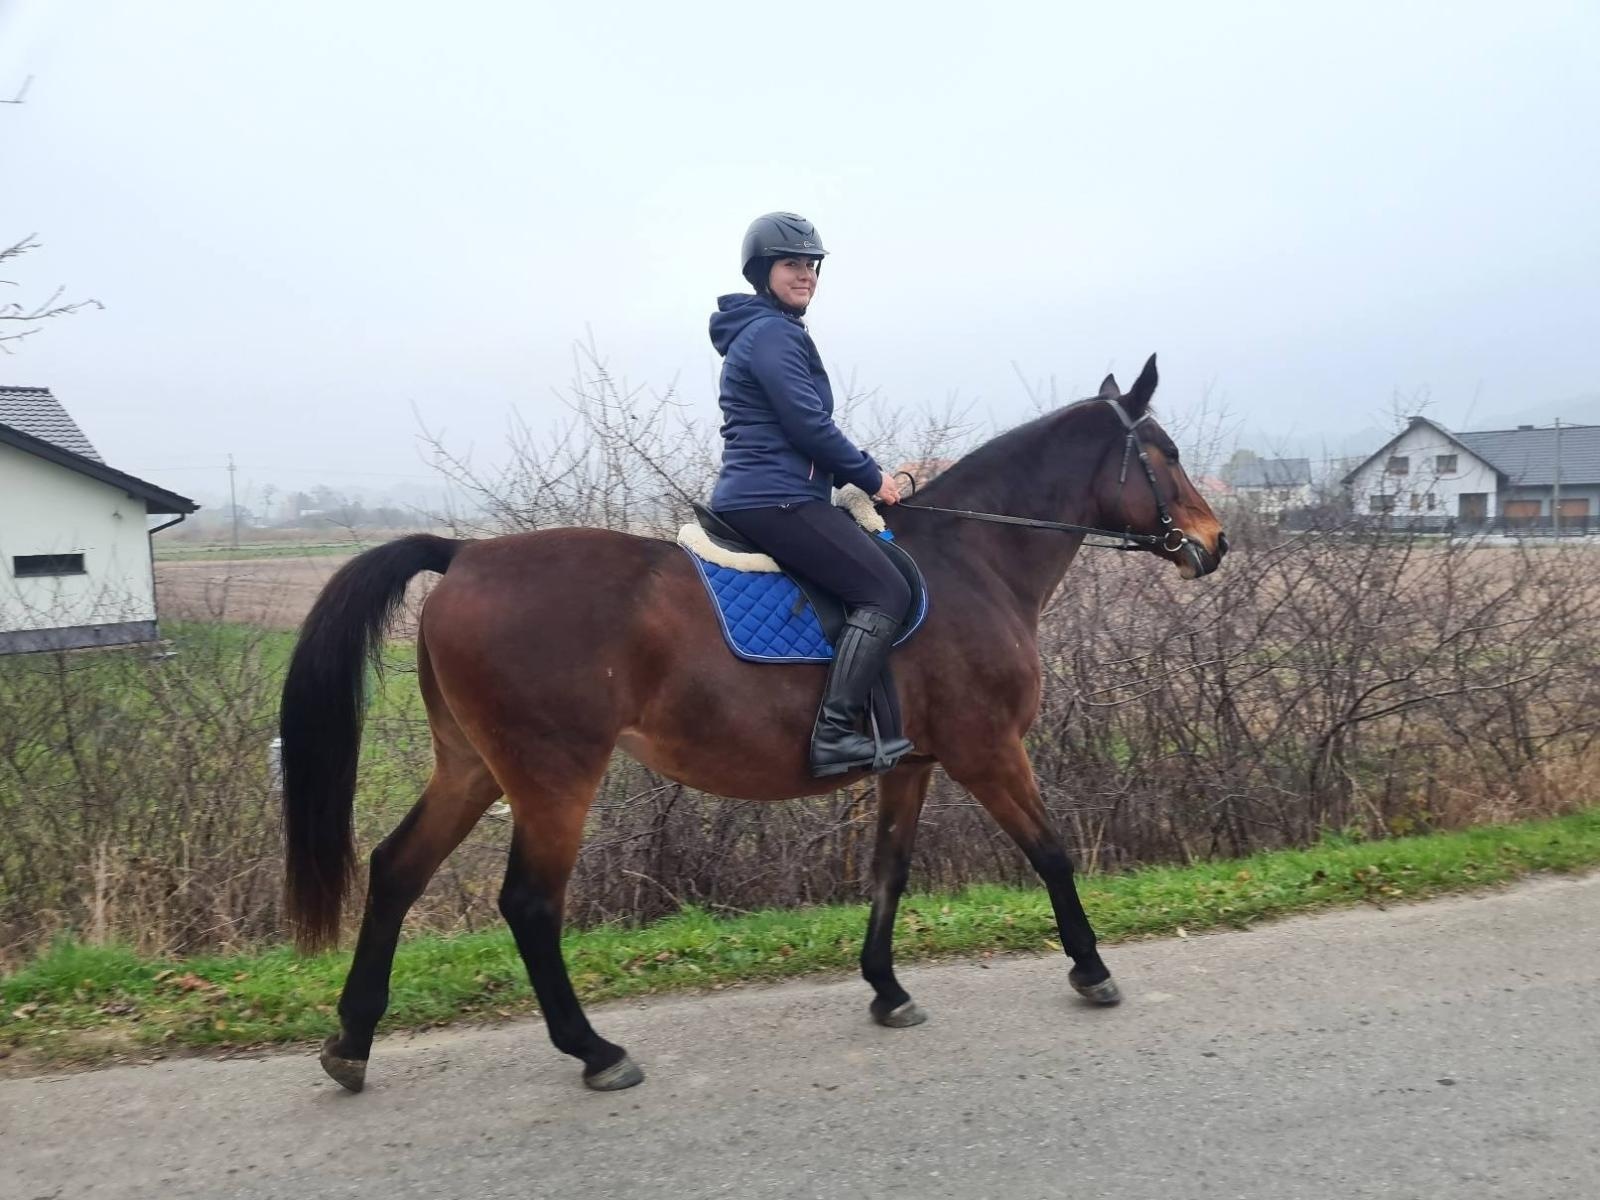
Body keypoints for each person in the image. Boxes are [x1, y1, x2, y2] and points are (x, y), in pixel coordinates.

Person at [708, 212, 914, 778]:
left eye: (811, 265)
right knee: (885, 591)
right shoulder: (773, 333)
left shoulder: (762, 330)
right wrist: (871, 477)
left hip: (767, 493)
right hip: (775, 498)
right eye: (791, 265)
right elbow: (807, 425)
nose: (805, 275)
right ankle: (834, 735)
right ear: (763, 272)